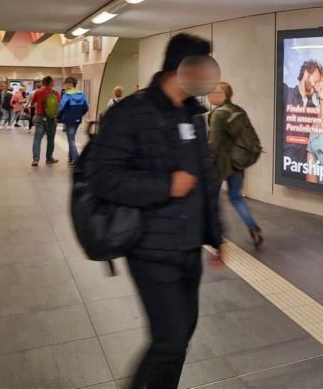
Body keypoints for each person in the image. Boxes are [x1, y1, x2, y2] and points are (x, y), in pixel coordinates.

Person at [85, 33, 223, 389]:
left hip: (189, 246)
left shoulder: (194, 116)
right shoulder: (131, 112)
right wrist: (165, 185)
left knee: (179, 337)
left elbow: (205, 178)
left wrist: (216, 234)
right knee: (171, 338)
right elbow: (102, 177)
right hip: (150, 247)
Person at [208, 82, 263, 248]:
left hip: (220, 164)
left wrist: (206, 164)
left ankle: (216, 234)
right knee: (236, 197)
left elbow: (214, 144)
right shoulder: (239, 110)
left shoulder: (218, 114)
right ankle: (253, 226)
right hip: (237, 162)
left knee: (212, 199)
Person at [282, 60, 322, 178]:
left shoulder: (314, 109)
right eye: (315, 82)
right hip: (284, 167)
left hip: (302, 171)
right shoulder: (285, 93)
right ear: (306, 73)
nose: (315, 88)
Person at [57, 76, 89, 166]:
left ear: (70, 84)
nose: (65, 85)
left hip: (69, 119)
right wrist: (79, 114)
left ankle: (76, 159)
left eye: (66, 84)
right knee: (72, 138)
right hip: (77, 120)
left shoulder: (67, 95)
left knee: (71, 140)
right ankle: (71, 158)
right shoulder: (81, 94)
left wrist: (57, 117)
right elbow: (86, 107)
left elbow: (61, 107)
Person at [31, 76, 61, 166]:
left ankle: (36, 159)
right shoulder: (55, 93)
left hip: (40, 117)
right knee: (50, 139)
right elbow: (59, 105)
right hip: (51, 119)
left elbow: (33, 103)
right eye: (53, 81)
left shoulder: (38, 92)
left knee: (37, 138)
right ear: (51, 83)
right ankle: (49, 159)